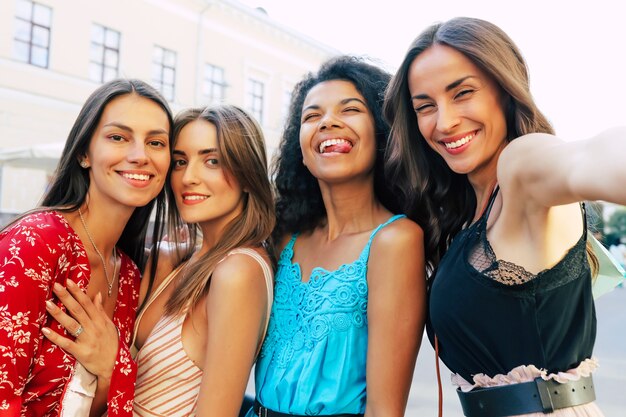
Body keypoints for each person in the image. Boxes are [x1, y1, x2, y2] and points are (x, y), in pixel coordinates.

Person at [384, 16, 626, 417]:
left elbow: (594, 158)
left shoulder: (522, 164)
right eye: (425, 106)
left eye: (463, 93)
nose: (444, 122)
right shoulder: (463, 215)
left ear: (504, 89)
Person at [45, 105, 276, 416]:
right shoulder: (176, 261)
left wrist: (111, 362)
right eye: (180, 161)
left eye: (212, 161)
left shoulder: (238, 271)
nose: (188, 178)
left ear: (248, 176)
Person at [248, 56, 427, 417]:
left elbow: (384, 411)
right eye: (312, 116)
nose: (328, 121)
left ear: (381, 131)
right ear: (299, 145)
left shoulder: (395, 240)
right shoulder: (284, 238)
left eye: (350, 110)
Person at [0, 79, 172, 416]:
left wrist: (112, 368)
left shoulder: (129, 276)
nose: (140, 156)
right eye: (118, 137)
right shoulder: (35, 243)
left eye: (155, 142)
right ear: (83, 153)